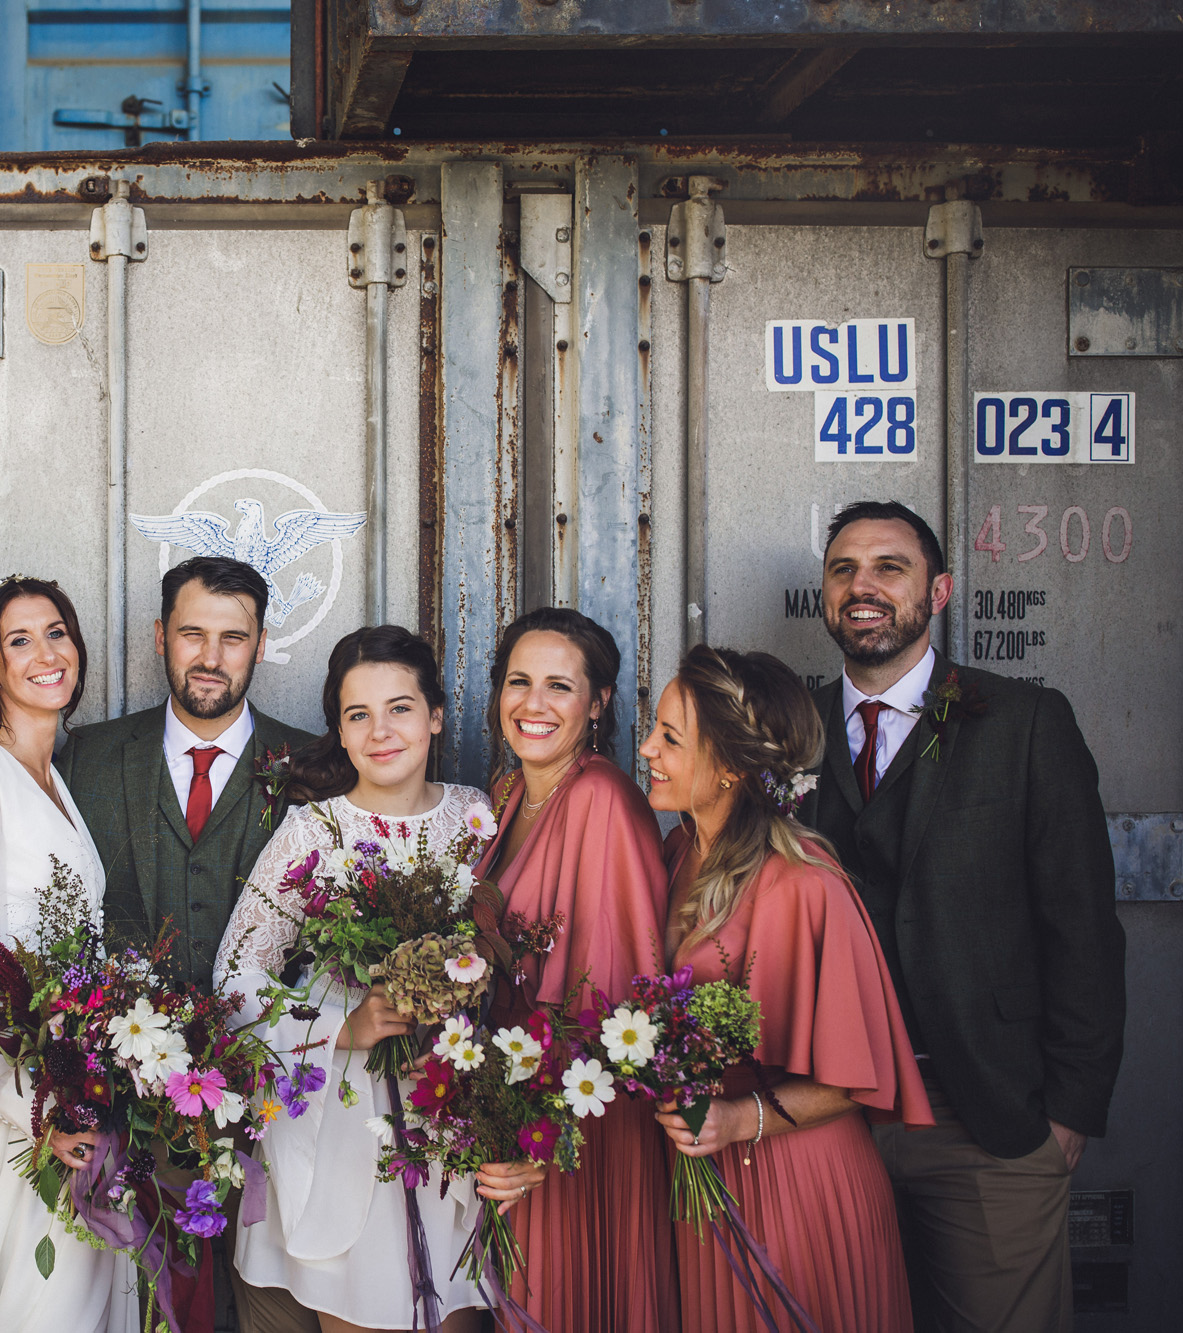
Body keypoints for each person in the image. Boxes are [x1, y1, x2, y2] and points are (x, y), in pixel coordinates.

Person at [803, 500, 1124, 1332]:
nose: (861, 586)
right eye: (842, 569)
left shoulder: (1023, 722)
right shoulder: (788, 729)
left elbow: (1081, 925)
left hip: (982, 1112)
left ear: (937, 591)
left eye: (888, 568)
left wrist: (1066, 1113)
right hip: (824, 1111)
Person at [56, 556, 319, 1333]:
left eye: (232, 637)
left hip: (278, 1112)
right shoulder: (87, 756)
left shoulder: (315, 766)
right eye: (192, 633)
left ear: (261, 643)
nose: (210, 656)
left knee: (274, 1309)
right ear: (160, 637)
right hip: (132, 1116)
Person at [644, 644, 933, 1333]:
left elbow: (855, 1078)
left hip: (791, 1183)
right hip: (705, 1176)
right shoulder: (678, 849)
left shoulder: (805, 885)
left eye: (669, 737)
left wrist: (738, 1118)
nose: (647, 748)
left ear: (731, 768)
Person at [215, 625, 489, 1333]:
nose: (380, 730)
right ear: (337, 730)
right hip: (346, 1113)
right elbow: (235, 974)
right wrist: (340, 1026)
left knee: (460, 1302)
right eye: (356, 714)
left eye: (399, 707)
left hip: (454, 1105)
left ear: (434, 714)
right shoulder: (314, 832)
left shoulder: (479, 816)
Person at [0, 576, 138, 1333]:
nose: (47, 654)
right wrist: (22, 1107)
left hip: (70, 1102)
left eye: (58, 633)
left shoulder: (53, 780)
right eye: (20, 640)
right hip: (8, 1125)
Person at [467, 608, 678, 1333]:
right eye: (518, 681)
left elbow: (618, 1000)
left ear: (599, 702)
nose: (533, 703)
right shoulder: (505, 794)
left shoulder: (601, 800)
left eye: (559, 685)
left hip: (577, 1128)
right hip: (516, 1116)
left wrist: (537, 1139)